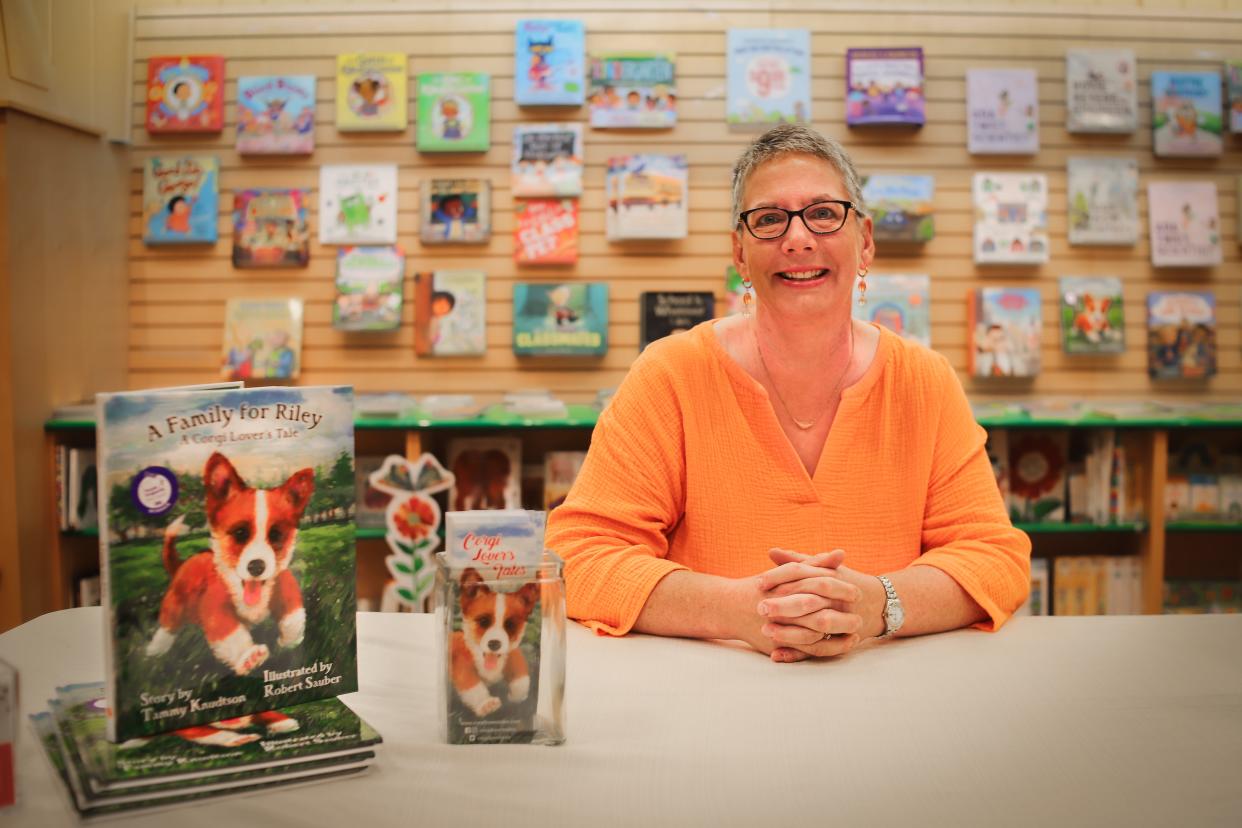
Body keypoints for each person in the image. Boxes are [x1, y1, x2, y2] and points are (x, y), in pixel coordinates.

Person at [545, 124, 1031, 663]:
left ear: (865, 241)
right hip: (703, 697)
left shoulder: (924, 381)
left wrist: (877, 604)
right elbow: (579, 555)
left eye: (824, 213)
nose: (798, 239)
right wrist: (736, 609)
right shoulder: (672, 374)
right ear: (740, 252)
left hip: (891, 696)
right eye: (770, 219)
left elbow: (995, 558)